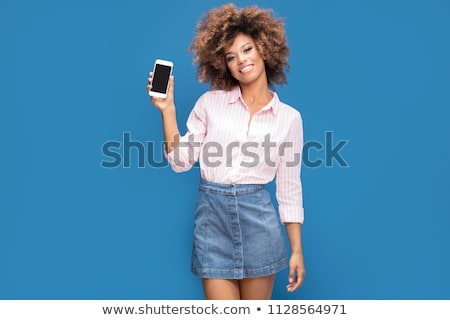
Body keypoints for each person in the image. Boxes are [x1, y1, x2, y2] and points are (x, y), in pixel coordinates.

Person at [147, 3, 305, 300]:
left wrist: (297, 249)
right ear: (224, 64)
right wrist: (168, 111)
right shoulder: (210, 103)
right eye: (231, 57)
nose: (240, 61)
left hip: (259, 219)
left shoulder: (290, 118)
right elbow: (181, 162)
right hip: (212, 217)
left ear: (265, 49)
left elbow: (289, 188)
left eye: (247, 50)